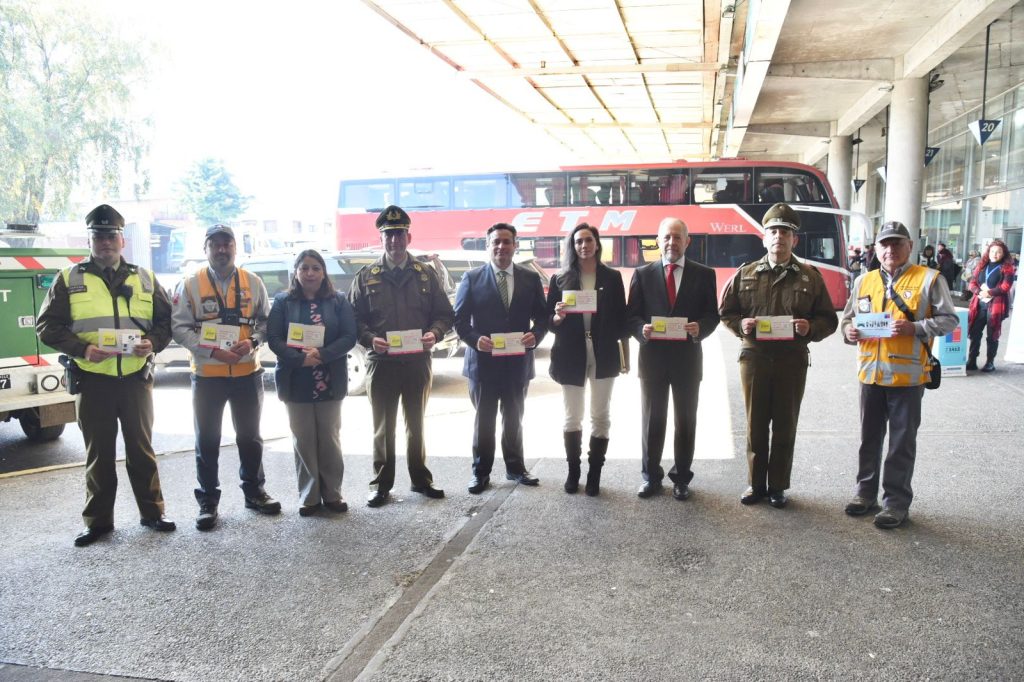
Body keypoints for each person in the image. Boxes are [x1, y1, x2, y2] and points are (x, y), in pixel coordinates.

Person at [36, 204, 176, 546]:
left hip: (135, 378)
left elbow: (166, 323)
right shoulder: (69, 279)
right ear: (90, 240)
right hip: (92, 379)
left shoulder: (145, 278)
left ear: (122, 240)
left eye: (111, 236)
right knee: (98, 453)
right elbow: (47, 326)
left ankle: (153, 513)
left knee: (141, 449)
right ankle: (98, 522)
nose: (105, 242)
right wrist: (83, 349)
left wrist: (152, 343)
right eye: (98, 236)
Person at [719, 203, 838, 508]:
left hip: (791, 360)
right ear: (764, 238)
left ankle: (778, 486)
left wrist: (810, 328)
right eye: (773, 231)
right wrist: (740, 325)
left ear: (794, 240)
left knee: (785, 424)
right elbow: (726, 312)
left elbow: (829, 320)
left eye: (785, 232)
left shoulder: (810, 277)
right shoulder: (745, 274)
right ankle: (755, 484)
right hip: (754, 358)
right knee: (755, 424)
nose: (779, 237)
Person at [841, 220, 957, 529]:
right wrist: (848, 331)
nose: (890, 249)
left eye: (897, 243)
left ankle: (895, 503)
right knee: (868, 439)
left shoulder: (929, 279)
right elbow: (848, 319)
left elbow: (949, 319)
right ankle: (865, 494)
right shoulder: (863, 281)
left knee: (901, 443)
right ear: (876, 249)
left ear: (909, 246)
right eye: (885, 244)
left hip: (907, 378)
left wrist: (915, 327)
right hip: (870, 374)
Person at [171, 224, 280, 530]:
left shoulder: (253, 282)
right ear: (205, 249)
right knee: (207, 439)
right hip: (208, 375)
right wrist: (211, 351)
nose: (222, 249)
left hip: (247, 373)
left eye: (227, 244)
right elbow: (179, 327)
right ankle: (208, 501)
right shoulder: (189, 284)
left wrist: (254, 341)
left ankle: (254, 492)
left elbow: (266, 322)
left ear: (235, 247)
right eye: (215, 244)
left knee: (250, 437)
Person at [348, 205, 454, 507]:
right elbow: (353, 319)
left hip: (417, 362)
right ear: (381, 239)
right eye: (389, 235)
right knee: (383, 427)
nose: (394, 240)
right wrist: (370, 339)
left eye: (399, 234)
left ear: (409, 237)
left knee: (416, 424)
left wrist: (434, 333)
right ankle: (381, 484)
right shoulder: (366, 277)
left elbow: (444, 314)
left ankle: (420, 479)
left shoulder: (425, 274)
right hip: (381, 363)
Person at [625, 217, 720, 501]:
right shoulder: (642, 274)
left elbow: (712, 315)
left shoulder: (704, 274)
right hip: (652, 360)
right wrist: (640, 330)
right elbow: (631, 315)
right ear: (658, 241)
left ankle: (681, 478)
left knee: (686, 422)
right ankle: (651, 477)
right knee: (652, 421)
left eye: (677, 237)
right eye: (666, 237)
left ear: (687, 241)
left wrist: (700, 328)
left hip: (687, 361)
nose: (671, 242)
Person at [454, 222, 549, 494]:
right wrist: (475, 340)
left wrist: (535, 335)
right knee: (484, 422)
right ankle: (480, 473)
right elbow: (459, 321)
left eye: (507, 241)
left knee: (514, 419)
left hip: (517, 363)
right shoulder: (472, 278)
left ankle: (516, 468)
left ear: (515, 245)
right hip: (483, 364)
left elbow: (542, 318)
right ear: (488, 246)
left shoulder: (530, 278)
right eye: (496, 242)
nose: (501, 247)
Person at [268, 250, 357, 516]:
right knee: (303, 440)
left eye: (316, 268)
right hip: (296, 379)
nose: (310, 273)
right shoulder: (283, 302)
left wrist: (322, 355)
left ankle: (332, 494)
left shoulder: (338, 301)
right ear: (295, 272)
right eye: (304, 268)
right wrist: (299, 359)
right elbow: (274, 339)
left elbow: (349, 336)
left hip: (329, 378)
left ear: (323, 272)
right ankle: (309, 496)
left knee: (329, 438)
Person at [546, 223, 628, 496]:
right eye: (578, 241)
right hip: (570, 353)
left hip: (603, 352)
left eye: (588, 240)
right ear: (572, 246)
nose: (584, 245)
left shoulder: (612, 277)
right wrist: (558, 317)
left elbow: (622, 318)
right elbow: (549, 321)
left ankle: (594, 474)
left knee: (600, 415)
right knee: (572, 416)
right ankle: (573, 471)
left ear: (597, 243)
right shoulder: (560, 278)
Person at [966, 239, 1016, 372]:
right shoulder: (982, 265)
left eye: (998, 252)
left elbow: (1006, 287)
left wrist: (989, 292)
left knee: (992, 334)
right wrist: (979, 292)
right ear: (988, 252)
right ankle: (972, 360)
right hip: (979, 304)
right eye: (992, 251)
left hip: (996, 306)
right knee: (975, 333)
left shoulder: (1007, 268)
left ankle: (990, 362)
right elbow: (972, 283)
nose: (995, 254)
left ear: (1003, 253)